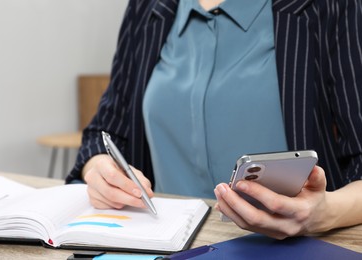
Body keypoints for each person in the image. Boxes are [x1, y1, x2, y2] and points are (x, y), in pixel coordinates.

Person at [66, 0, 362, 239]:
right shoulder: (147, 7)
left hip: (295, 248)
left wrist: (323, 212)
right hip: (166, 243)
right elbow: (103, 135)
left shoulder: (330, 6)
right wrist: (99, 170)